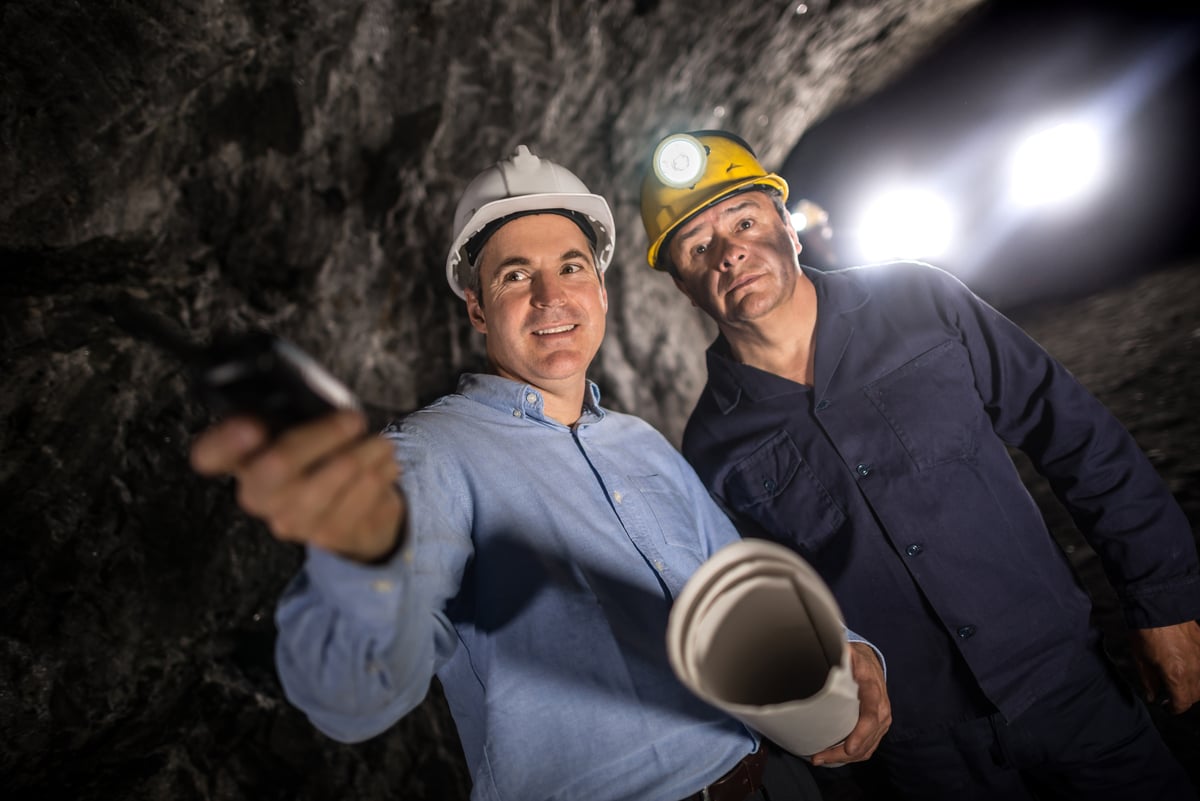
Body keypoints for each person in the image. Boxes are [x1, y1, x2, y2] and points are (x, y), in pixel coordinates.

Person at [189, 144, 893, 801]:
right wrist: (359, 562)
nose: (552, 297)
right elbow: (356, 695)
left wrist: (849, 648)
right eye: (516, 275)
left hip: (769, 779)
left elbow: (739, 584)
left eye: (571, 266)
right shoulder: (428, 455)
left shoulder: (641, 443)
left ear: (602, 292)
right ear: (477, 308)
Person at [637, 129, 1200, 801]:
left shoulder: (919, 301)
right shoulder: (712, 446)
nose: (730, 252)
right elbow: (771, 606)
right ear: (684, 286)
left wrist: (1163, 600)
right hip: (924, 753)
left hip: (1067, 685)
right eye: (699, 247)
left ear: (787, 224)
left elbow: (1073, 433)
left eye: (745, 219)